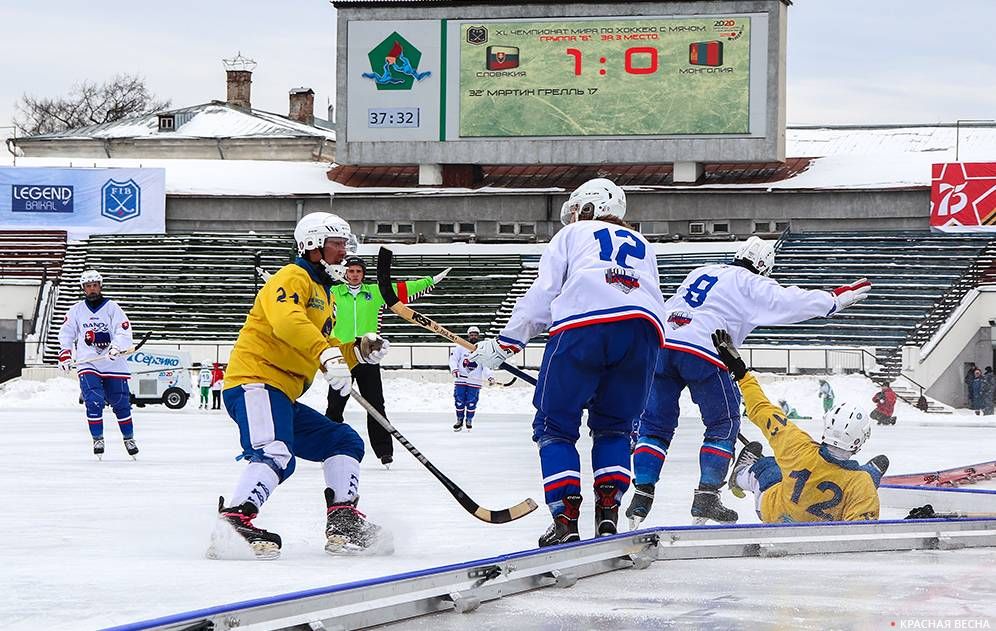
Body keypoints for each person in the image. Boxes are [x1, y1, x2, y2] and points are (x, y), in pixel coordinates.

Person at [471, 178, 667, 546]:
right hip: (643, 333)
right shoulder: (644, 245)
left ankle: (565, 516)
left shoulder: (572, 236)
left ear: (589, 207)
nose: (574, 217)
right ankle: (608, 511)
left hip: (584, 327)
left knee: (554, 425)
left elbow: (542, 295)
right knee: (615, 427)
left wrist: (505, 343)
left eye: (577, 209)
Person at [628, 236, 871, 526]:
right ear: (764, 267)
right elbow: (789, 301)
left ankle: (642, 493)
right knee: (722, 424)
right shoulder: (751, 282)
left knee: (655, 426)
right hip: (705, 349)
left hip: (663, 346)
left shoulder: (703, 271)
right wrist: (832, 300)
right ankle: (706, 497)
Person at [208, 212, 392, 560]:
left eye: (344, 244)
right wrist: (326, 354)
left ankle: (343, 520)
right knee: (276, 452)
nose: (344, 252)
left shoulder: (325, 293)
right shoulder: (292, 277)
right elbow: (287, 321)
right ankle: (234, 520)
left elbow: (323, 340)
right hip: (255, 382)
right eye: (337, 244)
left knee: (343, 440)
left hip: (282, 392)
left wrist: (357, 351)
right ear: (313, 245)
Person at [712, 329, 882, 523]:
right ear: (859, 441)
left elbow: (762, 408)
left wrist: (740, 372)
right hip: (820, 535)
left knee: (768, 466)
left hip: (774, 514)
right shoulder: (861, 483)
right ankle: (873, 473)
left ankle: (742, 473)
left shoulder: (796, 445)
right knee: (864, 483)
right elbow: (859, 532)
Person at [325, 254, 449, 468]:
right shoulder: (334, 292)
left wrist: (429, 281)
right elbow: (310, 295)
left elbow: (401, 289)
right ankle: (327, 447)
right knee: (335, 406)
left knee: (375, 404)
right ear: (345, 272)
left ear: (363, 274)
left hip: (368, 353)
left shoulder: (374, 292)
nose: (354, 275)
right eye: (351, 271)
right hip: (342, 356)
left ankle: (384, 452)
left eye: (358, 271)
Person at [58, 270, 139, 459]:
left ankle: (128, 438)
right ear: (83, 289)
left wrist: (116, 348)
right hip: (89, 363)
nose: (92, 289)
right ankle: (98, 438)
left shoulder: (112, 308)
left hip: (113, 362)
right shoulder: (76, 310)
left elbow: (123, 330)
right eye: (88, 286)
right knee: (93, 400)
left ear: (100, 286)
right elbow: (67, 332)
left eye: (95, 285)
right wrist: (65, 353)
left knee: (121, 403)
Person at [449, 326, 495, 432]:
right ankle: (459, 419)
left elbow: (486, 365)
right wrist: (454, 369)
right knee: (459, 400)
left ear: (478, 336)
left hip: (474, 380)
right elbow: (453, 359)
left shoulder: (482, 349)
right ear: (468, 335)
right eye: (471, 334)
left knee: (471, 402)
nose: (473, 336)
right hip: (461, 379)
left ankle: (469, 420)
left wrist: (490, 376)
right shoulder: (460, 347)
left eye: (475, 335)